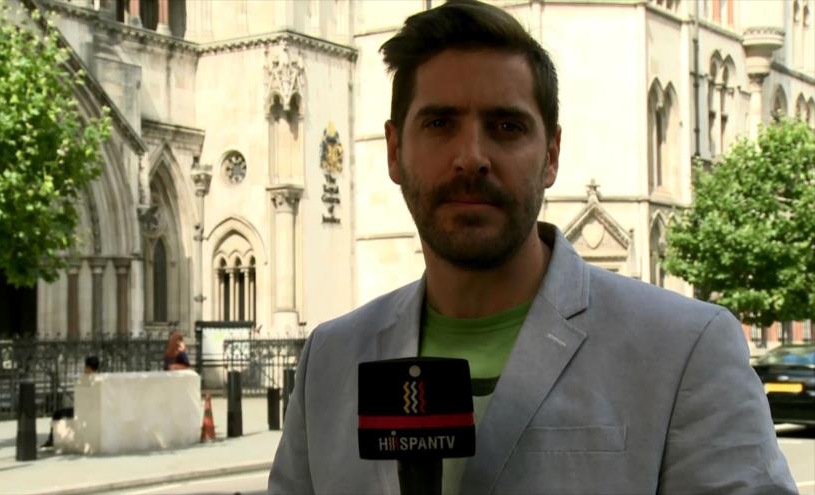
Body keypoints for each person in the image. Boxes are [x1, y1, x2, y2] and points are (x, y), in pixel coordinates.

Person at [268, 1, 797, 494]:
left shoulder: (686, 350)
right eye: (439, 124)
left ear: (551, 155)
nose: (471, 157)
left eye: (506, 126)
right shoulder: (330, 362)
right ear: (393, 150)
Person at [41, 355, 99, 448]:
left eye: (85, 367)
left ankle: (51, 440)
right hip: (89, 410)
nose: (84, 369)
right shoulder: (98, 379)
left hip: (82, 411)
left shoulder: (87, 380)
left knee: (57, 414)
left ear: (88, 367)